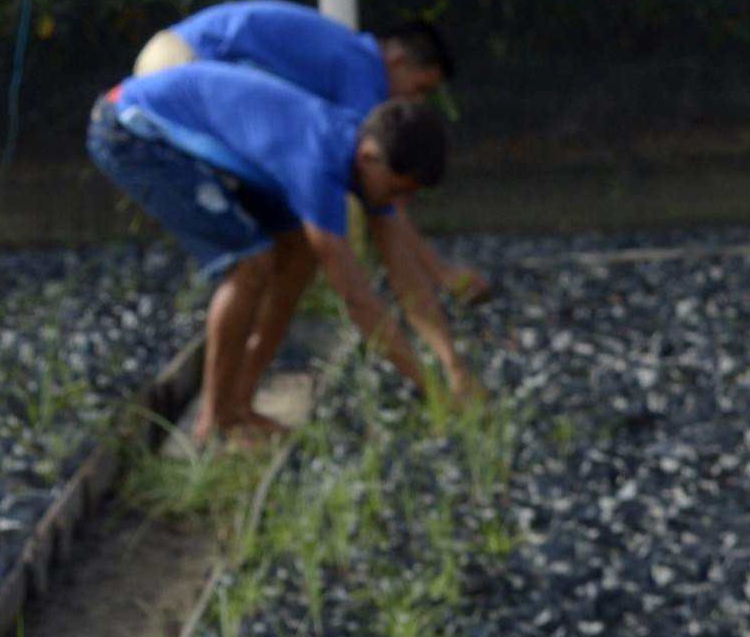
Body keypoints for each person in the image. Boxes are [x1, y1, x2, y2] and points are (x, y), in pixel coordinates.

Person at [88, 62, 479, 447]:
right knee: (249, 264)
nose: (400, 203)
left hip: (194, 133)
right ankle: (217, 424)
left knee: (298, 254)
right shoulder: (318, 162)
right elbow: (358, 301)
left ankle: (240, 402)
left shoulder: (359, 153)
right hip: (130, 129)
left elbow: (405, 276)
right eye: (397, 191)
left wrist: (453, 366)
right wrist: (433, 393)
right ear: (370, 158)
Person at [137, 1, 488, 306]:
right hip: (179, 64)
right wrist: (441, 272)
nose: (414, 103)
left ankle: (233, 334)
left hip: (172, 56)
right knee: (255, 252)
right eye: (419, 89)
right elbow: (384, 205)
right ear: (396, 59)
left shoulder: (347, 56)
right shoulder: (363, 70)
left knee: (279, 240)